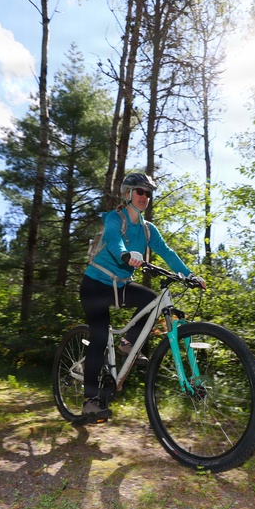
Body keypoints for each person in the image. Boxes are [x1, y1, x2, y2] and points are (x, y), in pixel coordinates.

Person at [80, 173, 206, 422]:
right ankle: (89, 401)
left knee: (152, 300)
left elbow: (167, 253)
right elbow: (114, 239)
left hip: (120, 285)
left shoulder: (149, 230)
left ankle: (128, 342)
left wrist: (190, 275)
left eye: (148, 193)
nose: (145, 197)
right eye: (140, 191)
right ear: (127, 193)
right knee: (100, 335)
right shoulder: (116, 218)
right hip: (95, 284)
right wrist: (126, 255)